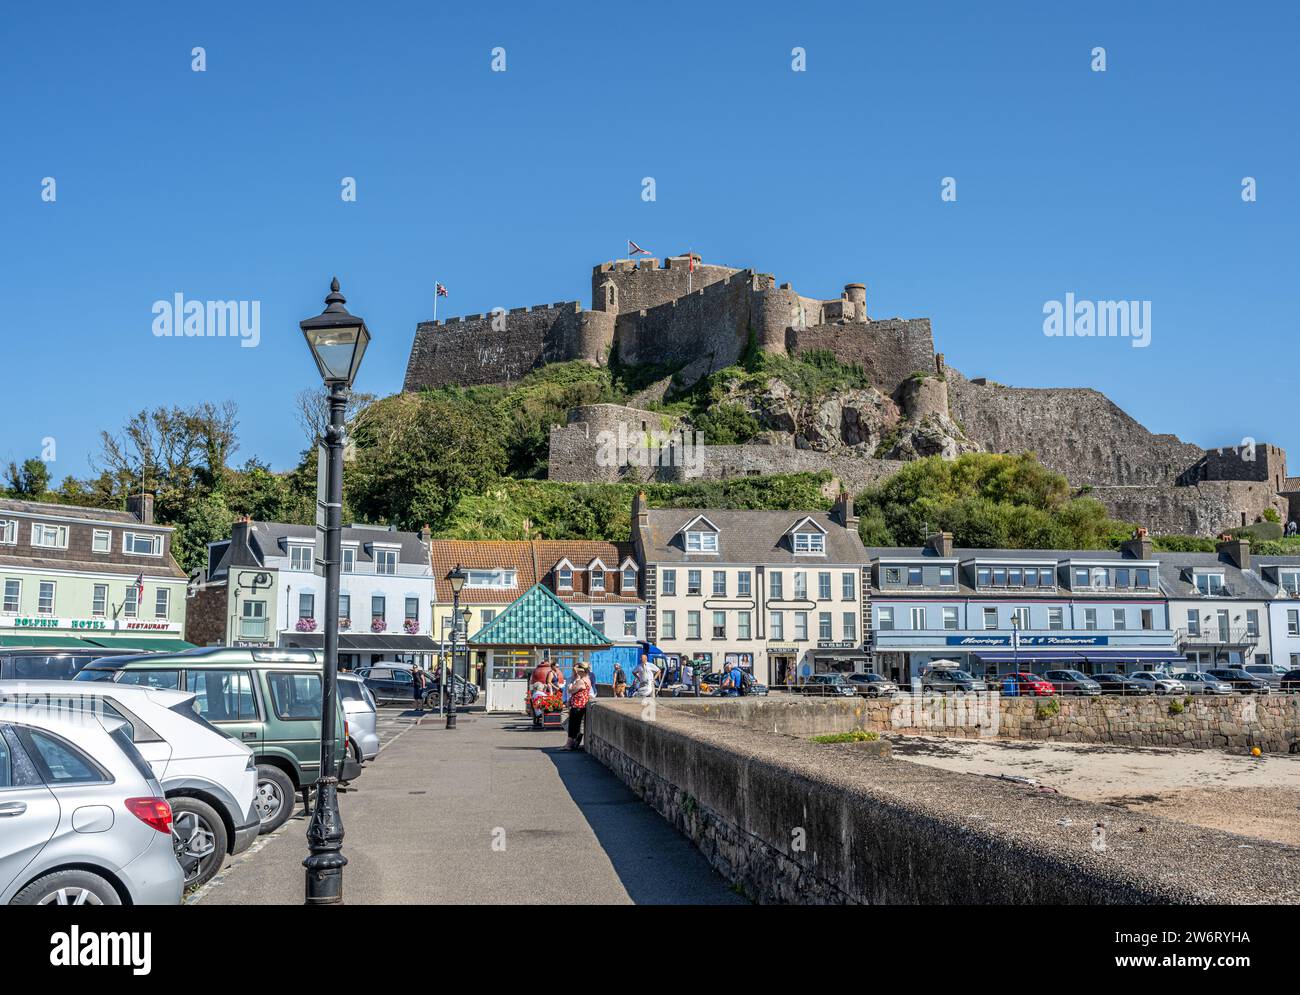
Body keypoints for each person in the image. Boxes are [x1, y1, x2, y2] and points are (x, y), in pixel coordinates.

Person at [565, 663, 592, 750]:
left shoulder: (581, 681)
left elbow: (571, 690)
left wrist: (570, 686)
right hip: (582, 704)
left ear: (582, 672)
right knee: (576, 724)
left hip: (577, 705)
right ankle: (573, 742)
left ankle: (569, 745)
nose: (578, 673)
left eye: (579, 672)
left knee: (572, 725)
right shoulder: (588, 680)